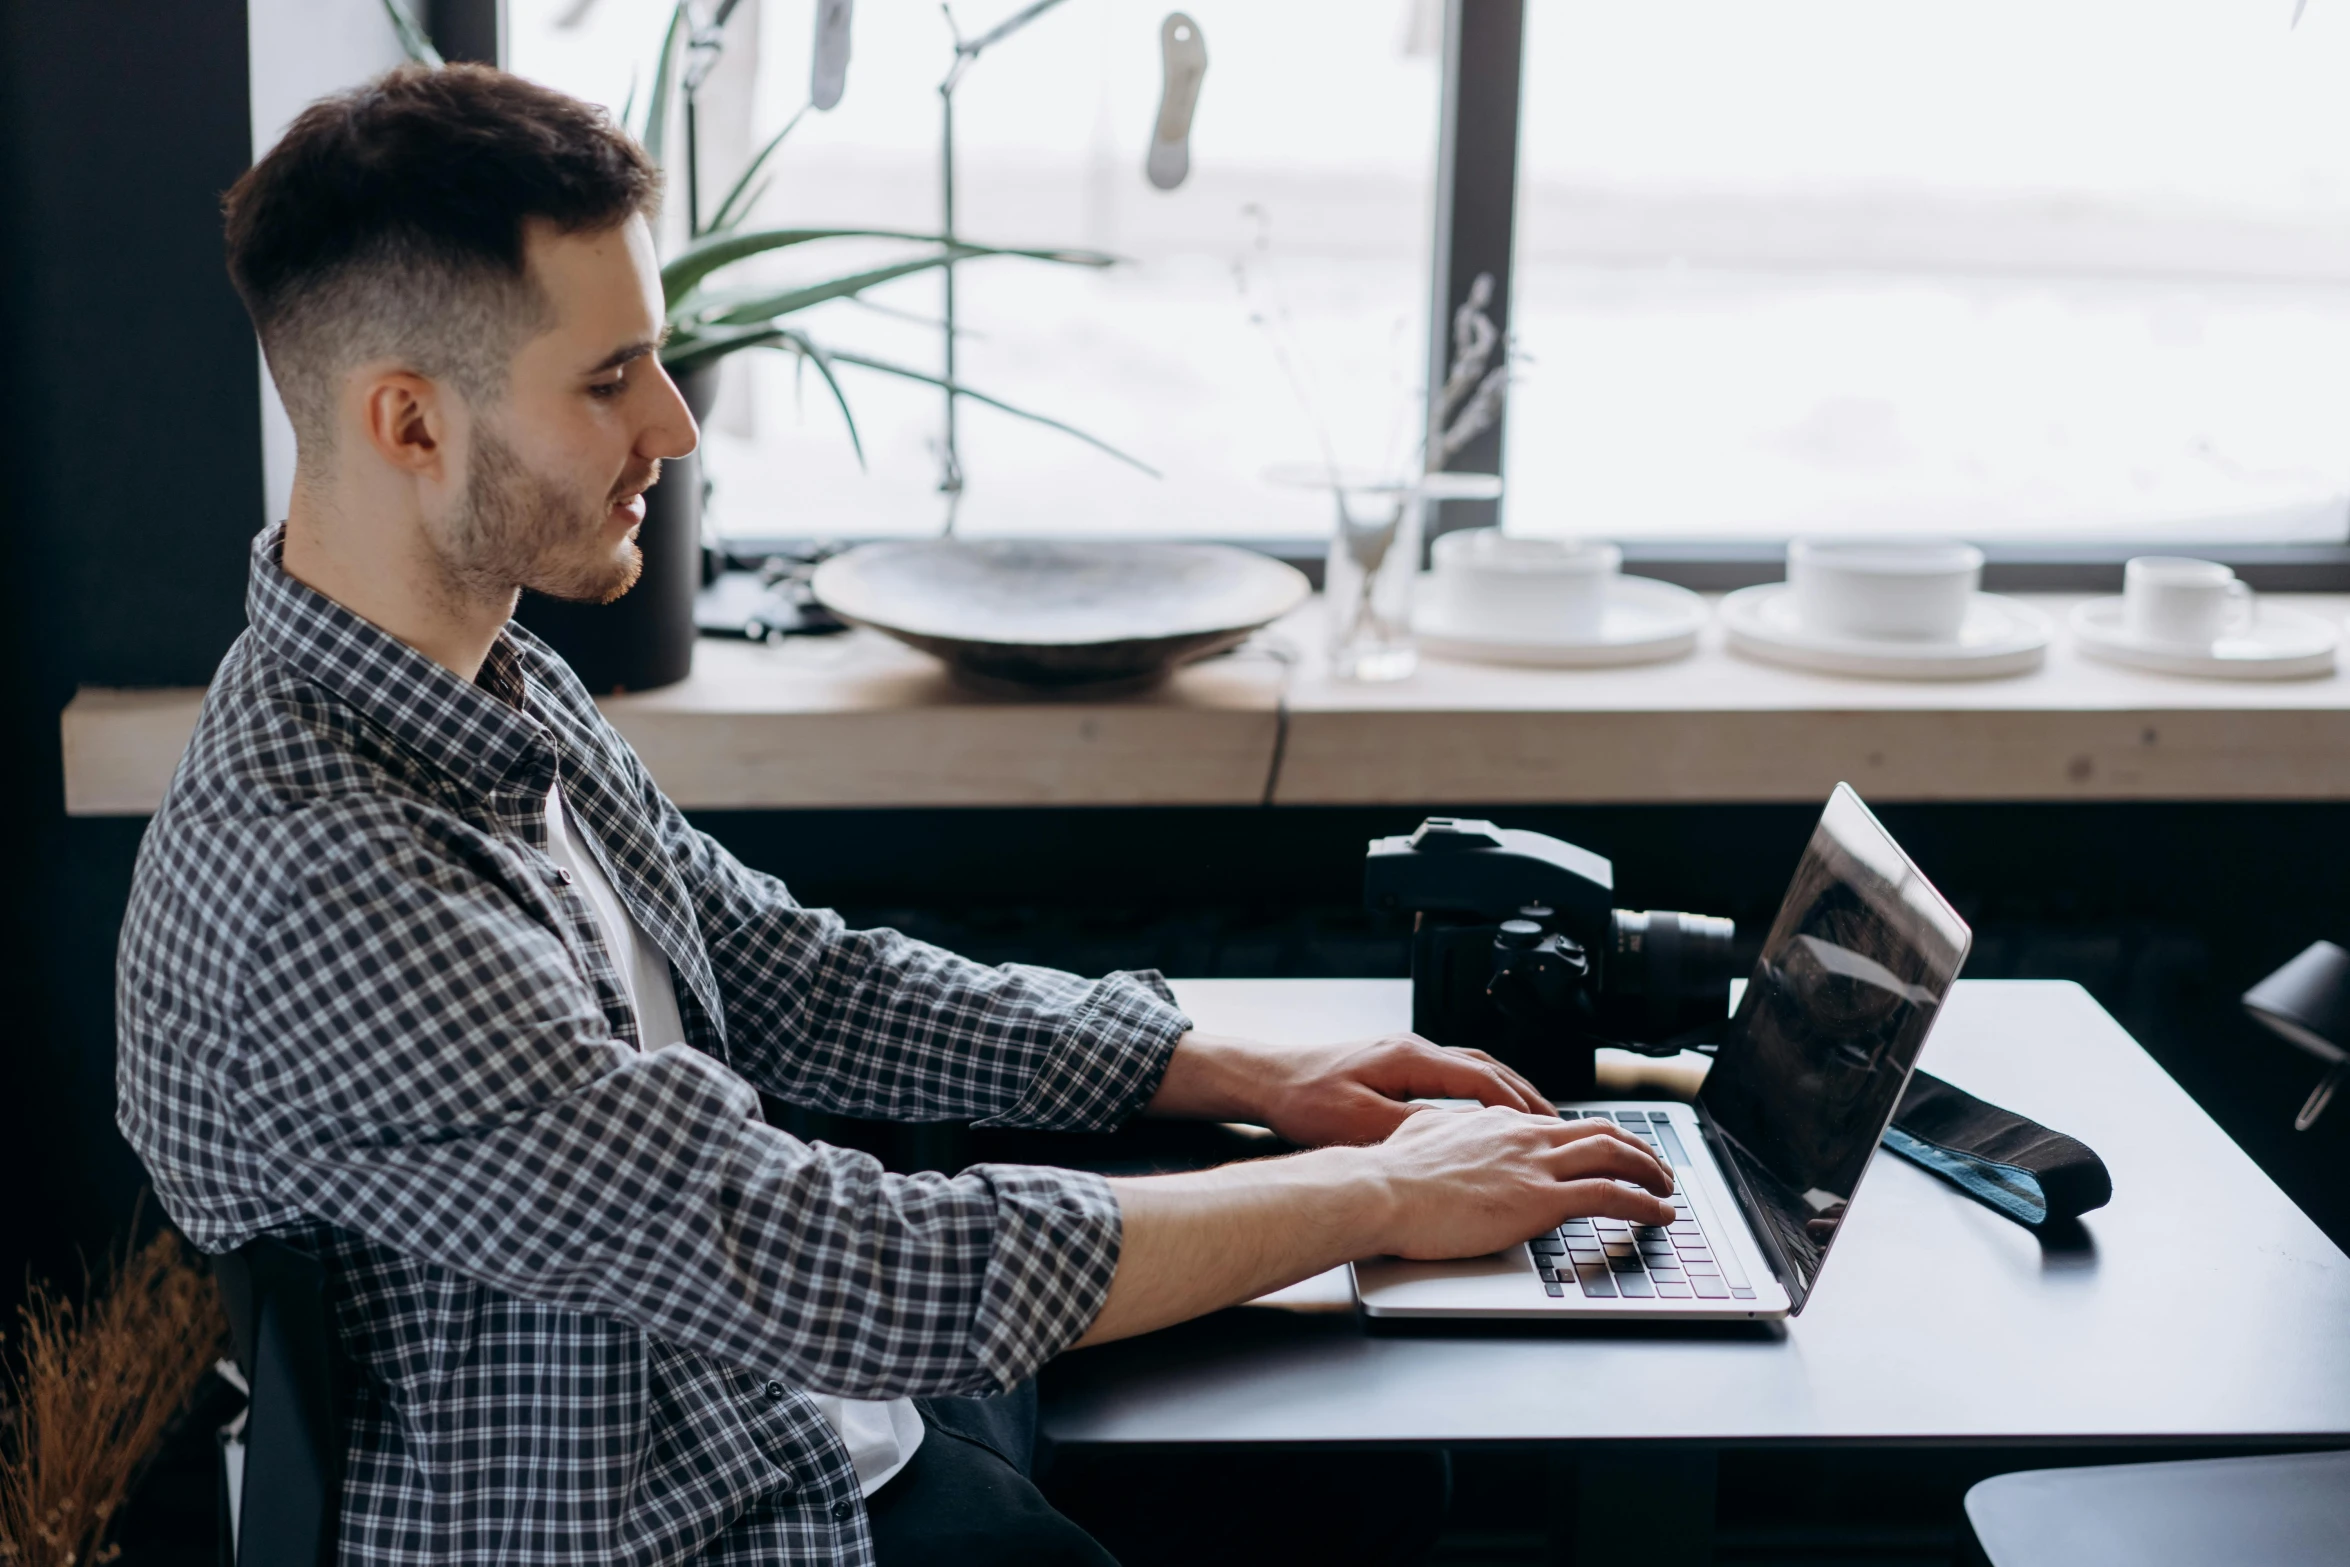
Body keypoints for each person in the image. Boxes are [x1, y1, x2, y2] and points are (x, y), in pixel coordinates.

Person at [114, 64, 1675, 1566]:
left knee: (1373, 1468)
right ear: (409, 425)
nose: (675, 426)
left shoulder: (484, 682)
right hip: (688, 1517)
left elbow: (789, 976)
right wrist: (1376, 1192)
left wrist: (1242, 1068)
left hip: (787, 1410)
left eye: (656, 357)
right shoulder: (331, 881)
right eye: (607, 381)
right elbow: (834, 1265)